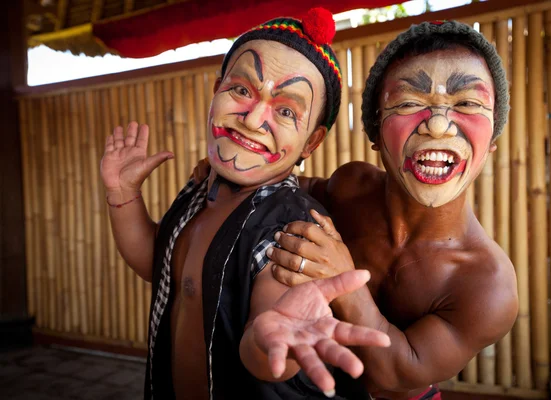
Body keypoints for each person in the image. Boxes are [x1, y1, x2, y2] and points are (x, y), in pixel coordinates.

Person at [100, 8, 390, 400]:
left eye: (286, 111)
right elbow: (159, 264)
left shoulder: (292, 225)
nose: (253, 119)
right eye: (241, 90)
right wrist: (123, 196)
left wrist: (275, 337)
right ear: (217, 89)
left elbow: (269, 322)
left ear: (311, 143)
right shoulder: (198, 194)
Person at [263, 20, 519, 400]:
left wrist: (343, 278)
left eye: (467, 103)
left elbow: (401, 372)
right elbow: (289, 187)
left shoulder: (487, 284)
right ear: (375, 133)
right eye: (409, 103)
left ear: (493, 139)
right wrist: (244, 175)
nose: (437, 125)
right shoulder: (350, 188)